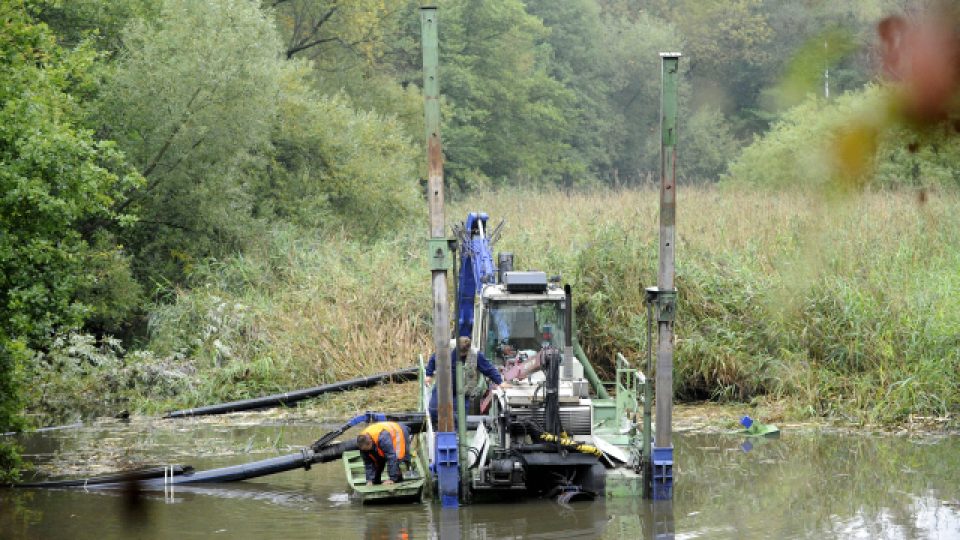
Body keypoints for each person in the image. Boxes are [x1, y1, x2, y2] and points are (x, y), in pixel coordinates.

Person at [425, 336, 504, 425]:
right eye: (460, 352)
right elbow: (433, 360)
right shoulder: (446, 351)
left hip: (462, 393)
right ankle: (436, 431)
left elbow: (489, 369)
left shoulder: (476, 355)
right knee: (434, 411)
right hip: (443, 389)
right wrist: (428, 375)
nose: (462, 355)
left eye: (464, 353)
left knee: (458, 419)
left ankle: (456, 436)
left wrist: (500, 382)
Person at [357, 421, 412, 486]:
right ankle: (375, 480)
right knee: (378, 459)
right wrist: (369, 480)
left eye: (367, 449)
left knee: (397, 457)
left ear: (370, 442)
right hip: (384, 433)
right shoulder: (362, 444)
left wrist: (392, 479)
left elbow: (391, 457)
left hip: (399, 432)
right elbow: (368, 463)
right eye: (364, 450)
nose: (366, 451)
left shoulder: (382, 438)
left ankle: (398, 477)